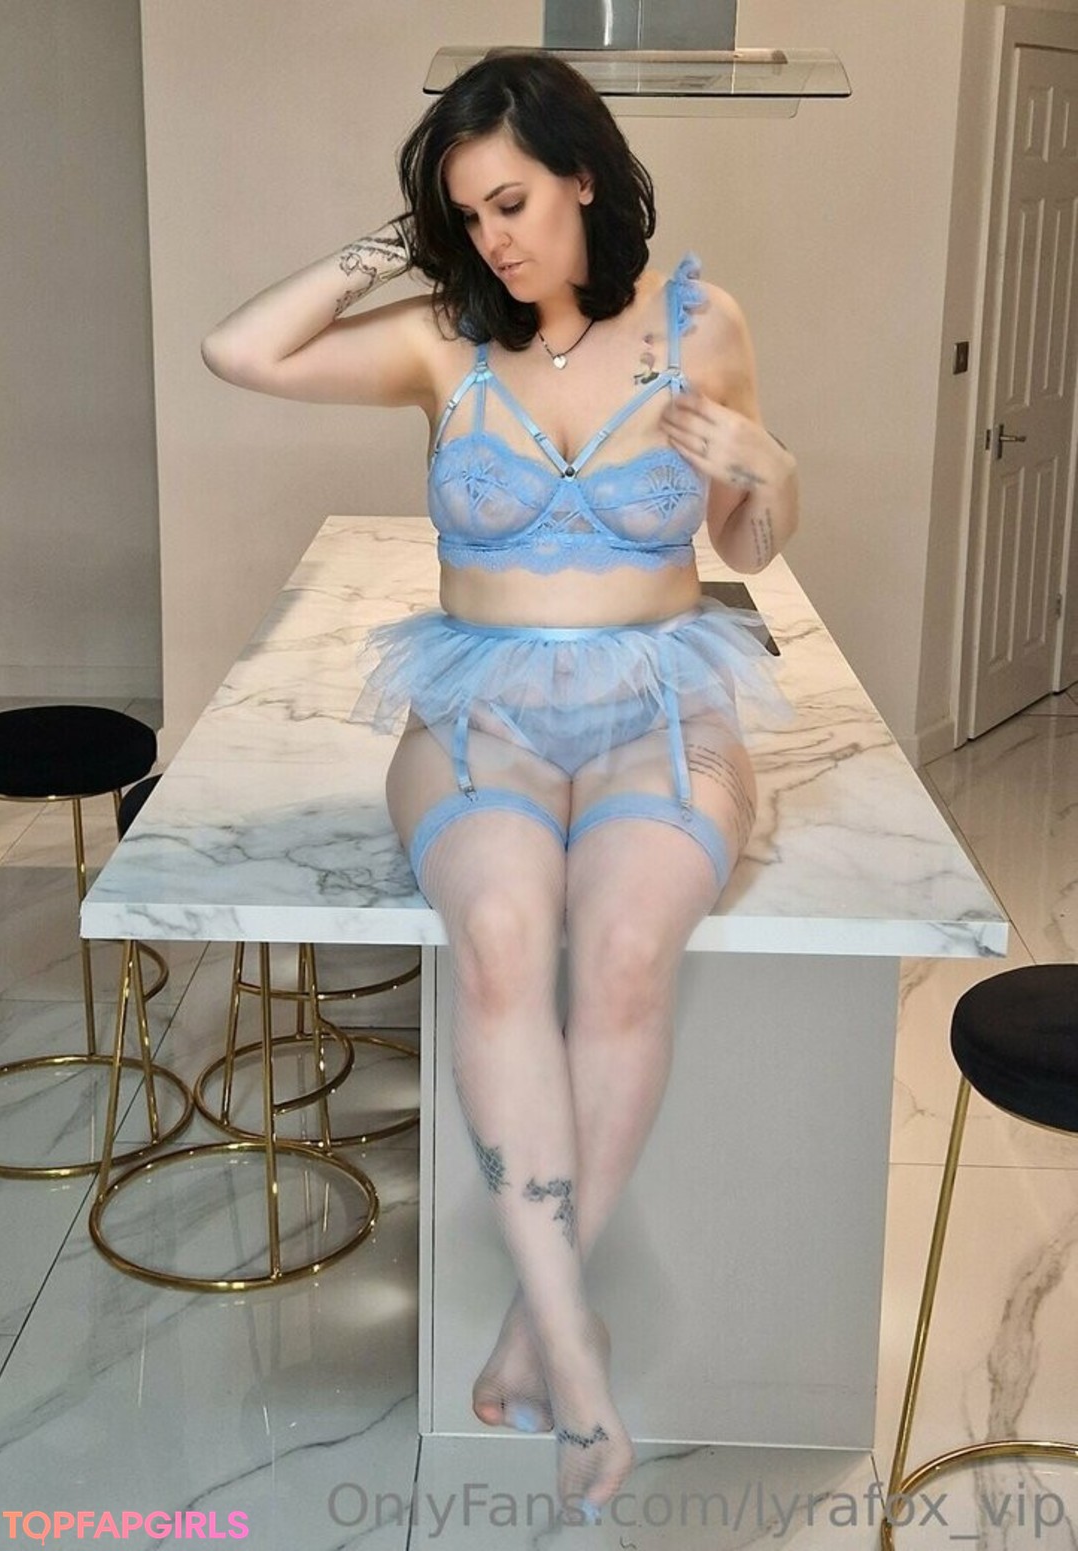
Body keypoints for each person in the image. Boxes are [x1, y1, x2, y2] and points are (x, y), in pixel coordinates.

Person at [202, 50, 798, 1523]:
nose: (496, 240)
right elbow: (239, 350)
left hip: (662, 701)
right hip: (482, 711)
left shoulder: (702, 324)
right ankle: (579, 1363)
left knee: (629, 951)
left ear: (584, 174)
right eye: (468, 216)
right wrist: (393, 241)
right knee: (501, 940)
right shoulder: (440, 344)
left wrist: (769, 464)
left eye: (513, 202)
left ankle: (540, 1316)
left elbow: (752, 543)